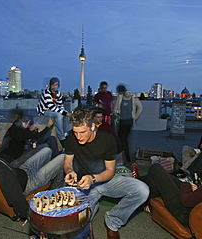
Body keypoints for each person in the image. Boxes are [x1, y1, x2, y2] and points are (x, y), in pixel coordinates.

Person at [63, 109, 149, 239]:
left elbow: (110, 171)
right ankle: (90, 209)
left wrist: (93, 178)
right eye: (75, 132)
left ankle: (113, 220)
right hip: (83, 186)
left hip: (105, 180)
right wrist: (70, 172)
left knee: (142, 190)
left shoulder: (107, 139)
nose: (78, 137)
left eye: (82, 132)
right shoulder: (71, 137)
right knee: (76, 232)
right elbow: (67, 162)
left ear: (92, 126)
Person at [0, 126, 65, 221]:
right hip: (29, 183)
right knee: (63, 158)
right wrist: (27, 214)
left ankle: (49, 178)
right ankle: (56, 192)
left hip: (23, 171)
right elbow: (14, 194)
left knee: (47, 150)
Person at [37, 77, 72, 147]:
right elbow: (52, 107)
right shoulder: (46, 93)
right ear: (50, 85)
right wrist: (65, 113)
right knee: (59, 115)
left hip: (52, 110)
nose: (54, 87)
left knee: (65, 113)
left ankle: (66, 133)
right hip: (44, 111)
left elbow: (60, 105)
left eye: (56, 85)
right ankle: (61, 137)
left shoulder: (57, 93)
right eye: (53, 85)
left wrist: (65, 112)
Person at [114, 85, 143, 164]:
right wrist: (116, 113)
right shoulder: (120, 98)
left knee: (122, 139)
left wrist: (135, 117)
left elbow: (140, 107)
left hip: (128, 121)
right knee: (122, 139)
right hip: (121, 120)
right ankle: (125, 157)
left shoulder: (133, 99)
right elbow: (116, 107)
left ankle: (126, 157)